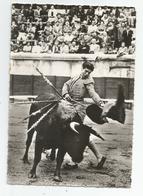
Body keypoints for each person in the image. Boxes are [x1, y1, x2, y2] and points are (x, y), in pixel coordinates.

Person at [62, 60, 106, 169]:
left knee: (75, 134)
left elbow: (92, 93)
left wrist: (99, 102)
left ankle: (75, 161)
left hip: (78, 108)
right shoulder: (76, 76)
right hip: (68, 104)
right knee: (78, 132)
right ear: (82, 69)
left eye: (89, 72)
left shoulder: (89, 81)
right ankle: (99, 156)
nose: (87, 74)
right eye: (86, 71)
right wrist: (66, 93)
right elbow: (65, 85)